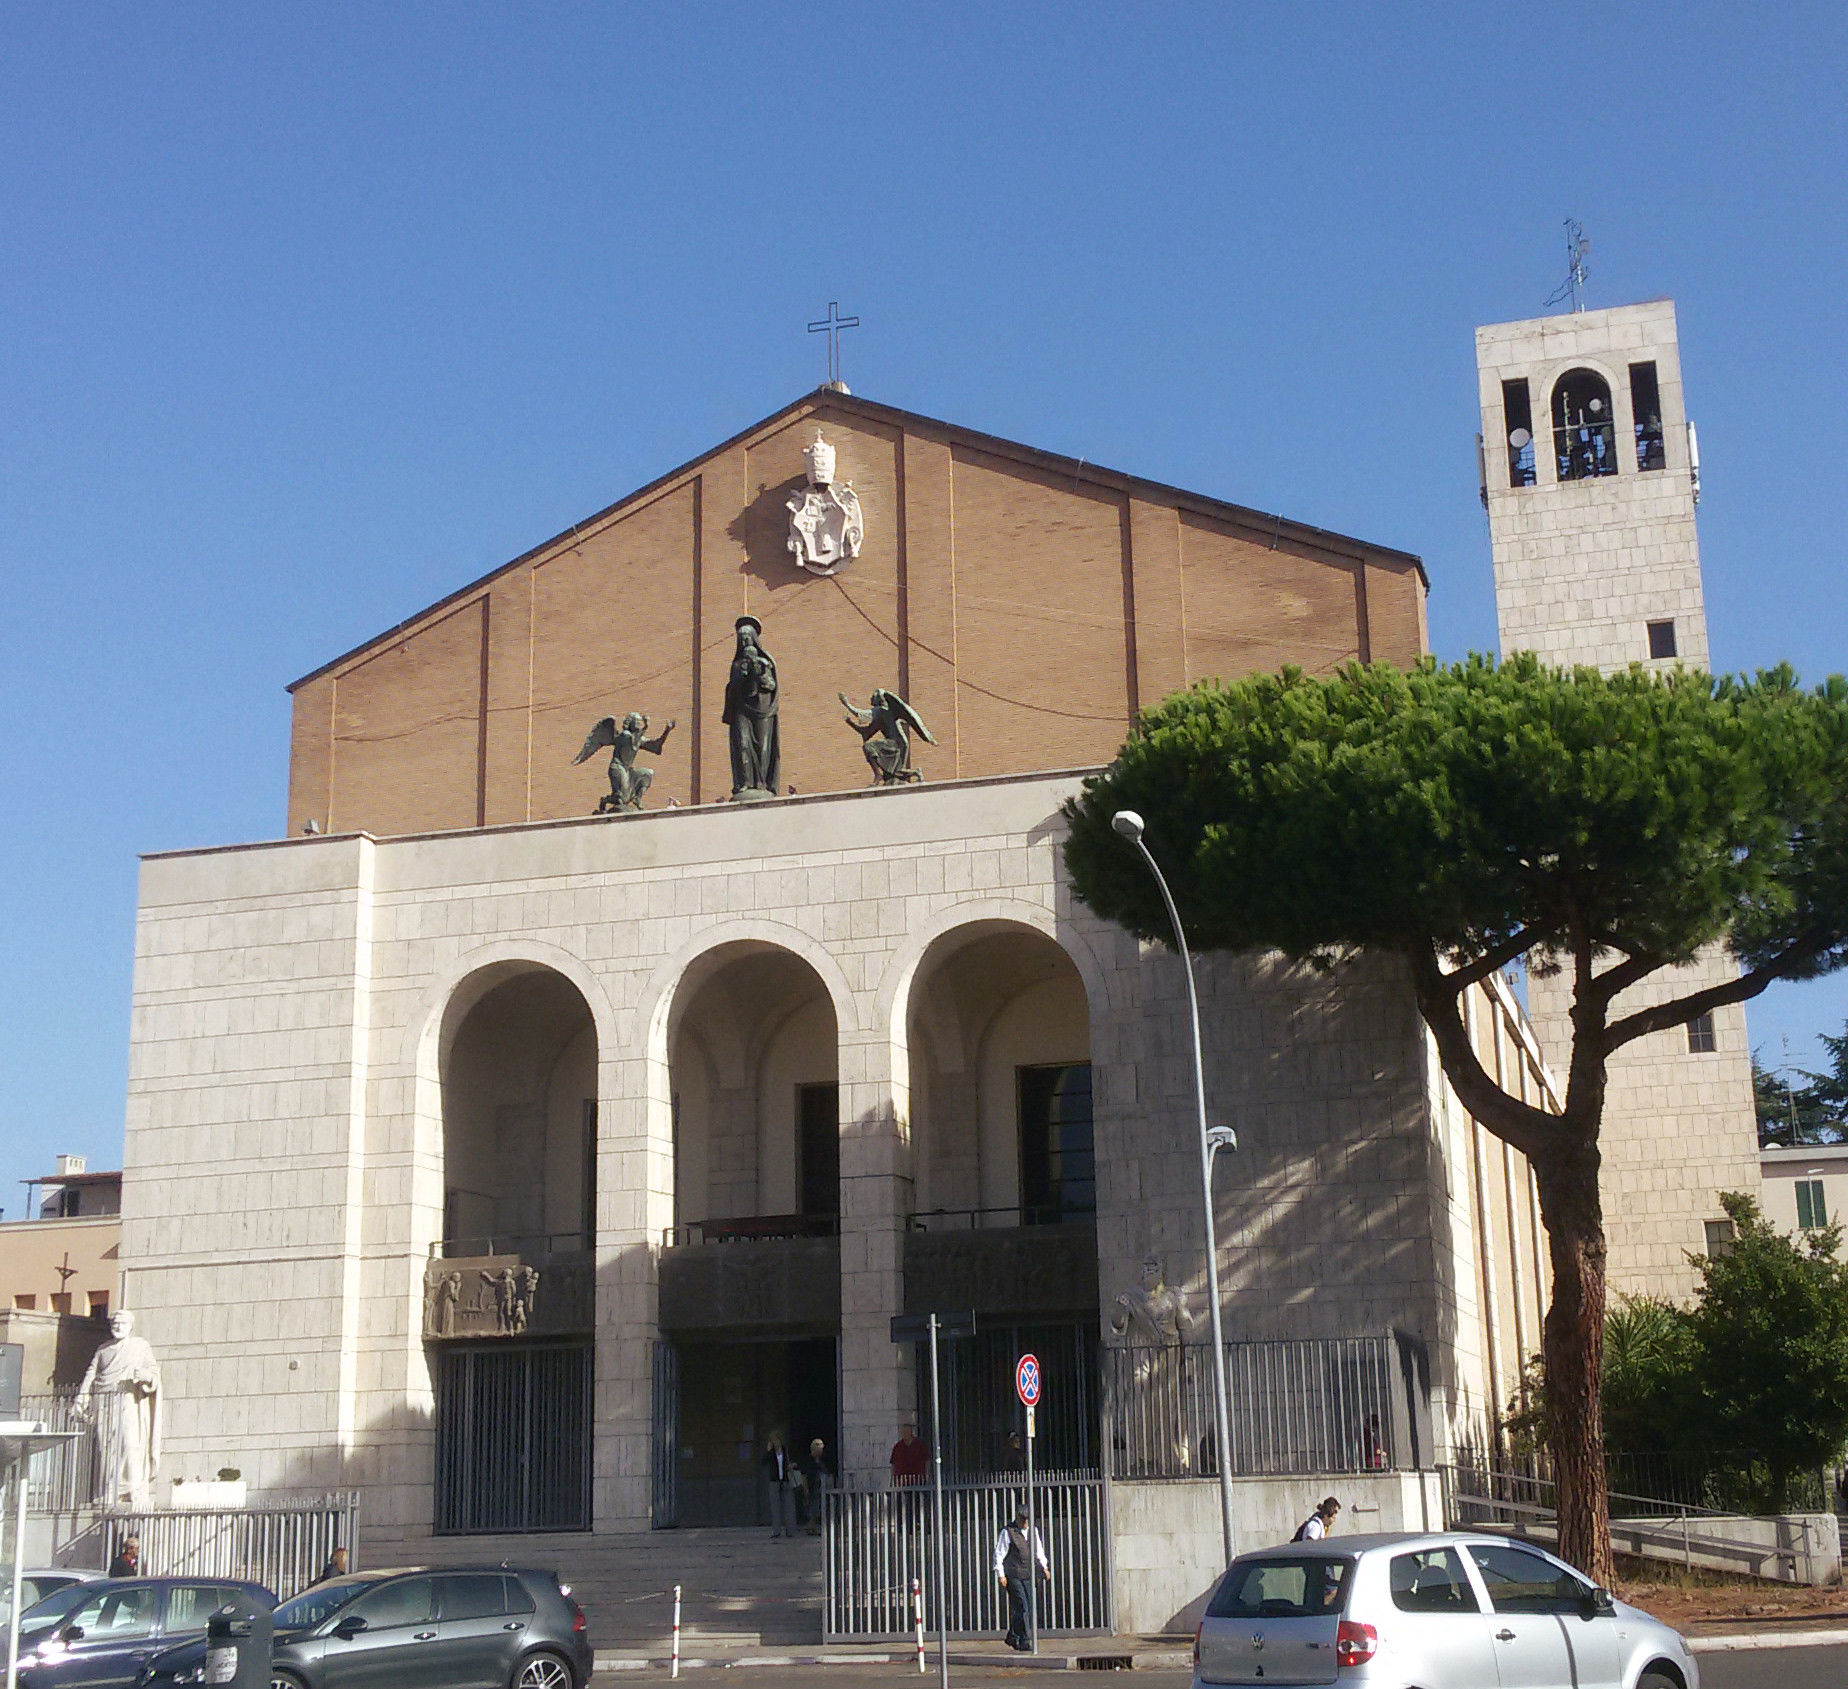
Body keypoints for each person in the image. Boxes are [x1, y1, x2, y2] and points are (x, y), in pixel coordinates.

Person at [992, 1508, 1049, 1652]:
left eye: (1027, 1520)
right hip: (1013, 1574)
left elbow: (1039, 1551)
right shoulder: (1008, 1532)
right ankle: (1024, 1640)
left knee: (1028, 1606)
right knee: (1022, 1605)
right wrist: (1001, 1574)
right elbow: (999, 1554)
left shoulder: (1033, 1531)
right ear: (1017, 1518)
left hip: (1028, 1574)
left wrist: (1044, 1567)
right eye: (1023, 1519)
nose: (1025, 1523)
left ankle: (1013, 1635)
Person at [763, 1435, 796, 1538]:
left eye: (777, 1440)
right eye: (773, 1441)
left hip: (786, 1480)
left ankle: (790, 1531)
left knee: (789, 1506)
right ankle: (776, 1531)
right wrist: (768, 1451)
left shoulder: (786, 1451)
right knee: (775, 1507)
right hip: (775, 1481)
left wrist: (793, 1465)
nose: (776, 1443)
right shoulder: (771, 1453)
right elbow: (763, 1462)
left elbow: (795, 1461)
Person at [800, 1437, 833, 1536]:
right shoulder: (809, 1460)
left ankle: (812, 1528)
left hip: (819, 1487)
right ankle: (810, 1527)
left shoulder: (821, 1461)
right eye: (820, 1448)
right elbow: (804, 1474)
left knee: (817, 1508)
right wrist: (805, 1488)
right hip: (811, 1486)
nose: (821, 1451)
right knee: (813, 1508)